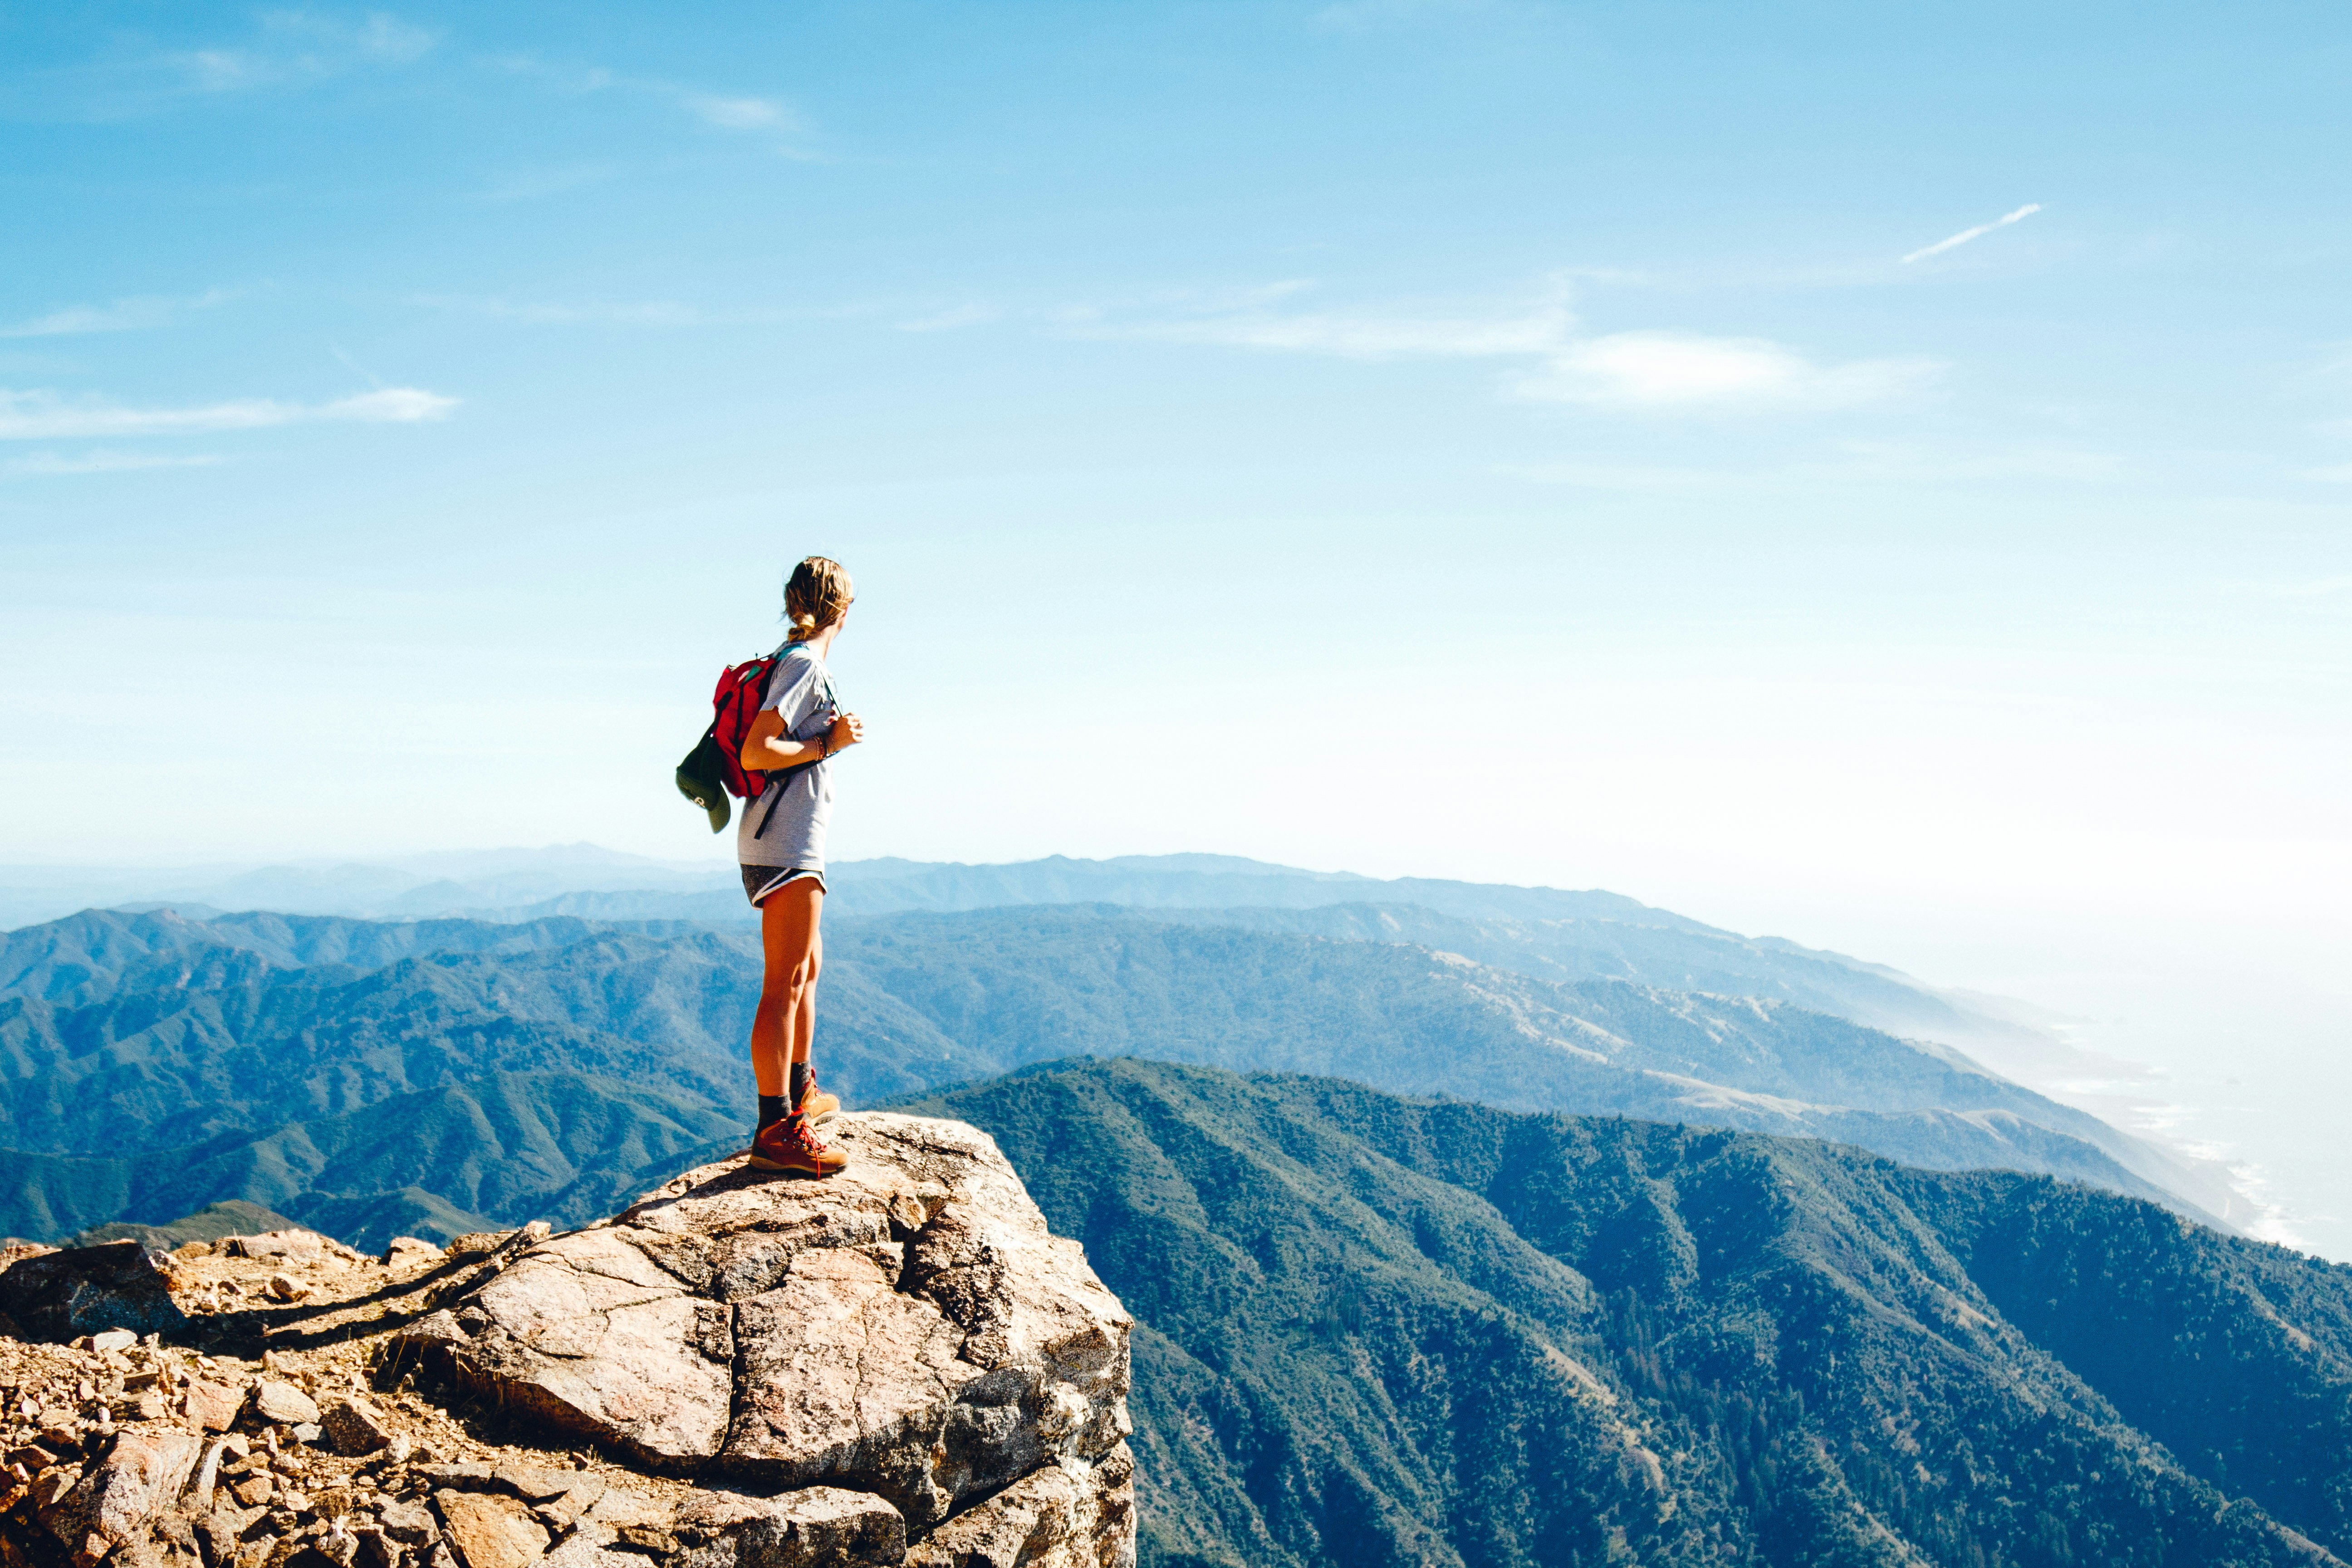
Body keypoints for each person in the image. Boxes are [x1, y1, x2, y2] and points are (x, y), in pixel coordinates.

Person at [737, 556, 866, 1175]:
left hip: (786, 841)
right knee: (785, 982)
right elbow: (757, 749)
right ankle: (775, 1127)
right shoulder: (802, 666)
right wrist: (827, 744)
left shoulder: (802, 665)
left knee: (807, 969)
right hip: (784, 844)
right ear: (843, 608)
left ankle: (799, 1095)